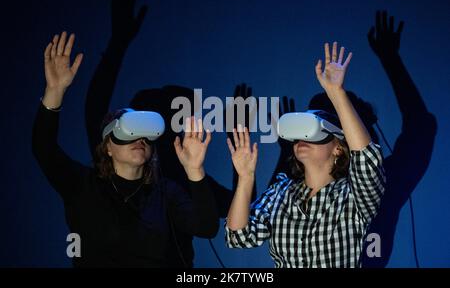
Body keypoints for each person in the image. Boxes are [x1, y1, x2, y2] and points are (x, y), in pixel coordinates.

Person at [32, 31, 219, 267]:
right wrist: (54, 91)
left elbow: (206, 227)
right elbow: (43, 148)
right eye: (129, 130)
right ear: (107, 147)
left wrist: (195, 171)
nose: (139, 138)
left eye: (145, 133)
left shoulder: (165, 193)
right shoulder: (83, 186)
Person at [225, 42, 385, 267]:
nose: (303, 139)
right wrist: (245, 178)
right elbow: (238, 237)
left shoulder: (353, 197)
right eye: (299, 134)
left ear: (338, 147)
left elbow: (367, 159)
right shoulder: (281, 192)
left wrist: (336, 93)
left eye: (311, 132)